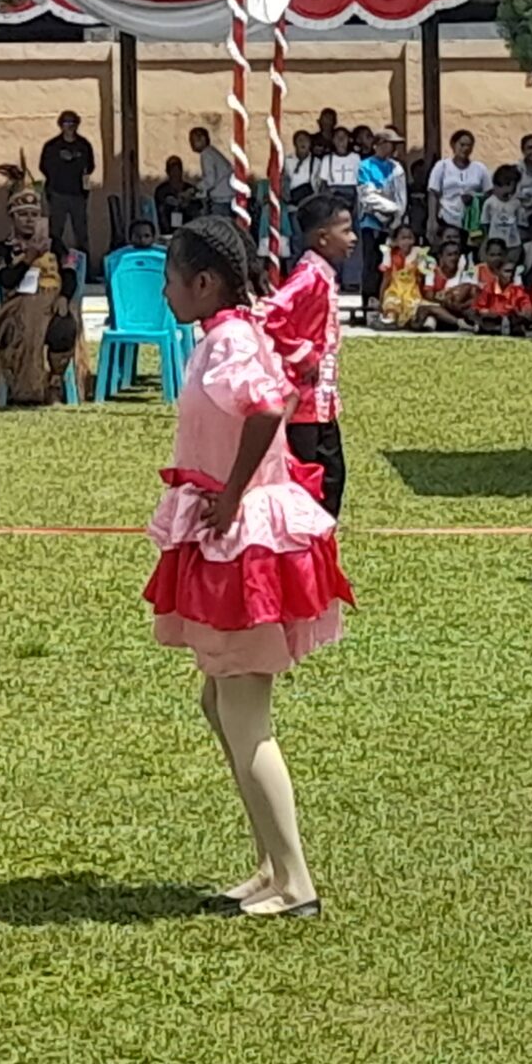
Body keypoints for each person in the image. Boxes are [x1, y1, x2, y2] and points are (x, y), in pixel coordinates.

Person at [144, 215, 351, 919]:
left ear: (204, 283)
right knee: (221, 701)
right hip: (235, 530)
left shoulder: (230, 338)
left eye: (172, 279)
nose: (166, 291)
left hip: (245, 540)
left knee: (243, 710)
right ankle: (271, 862)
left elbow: (269, 407)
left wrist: (230, 495)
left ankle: (294, 880)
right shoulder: (223, 336)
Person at [265, 193, 352, 518]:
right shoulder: (308, 276)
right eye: (346, 230)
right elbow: (272, 314)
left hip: (320, 398)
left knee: (331, 473)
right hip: (302, 398)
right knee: (308, 473)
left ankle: (320, 537)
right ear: (322, 237)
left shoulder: (323, 274)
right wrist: (303, 355)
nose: (353, 238)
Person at [0, 189, 86, 406]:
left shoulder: (54, 243)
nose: (29, 220)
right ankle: (24, 386)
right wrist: (30, 257)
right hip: (18, 305)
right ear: (12, 217)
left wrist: (64, 296)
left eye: (34, 215)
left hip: (54, 301)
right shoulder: (3, 248)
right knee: (23, 329)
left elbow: (69, 272)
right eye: (23, 214)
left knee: (64, 327)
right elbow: (6, 279)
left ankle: (54, 384)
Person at [355, 127, 408, 314]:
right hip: (371, 223)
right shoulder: (365, 166)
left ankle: (387, 299)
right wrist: (390, 209)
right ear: (379, 145)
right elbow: (367, 196)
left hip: (392, 225)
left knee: (390, 263)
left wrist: (396, 218)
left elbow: (401, 196)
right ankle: (369, 300)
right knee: (372, 262)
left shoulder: (397, 168)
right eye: (389, 144)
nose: (393, 148)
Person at [38, 110, 97, 256]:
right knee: (55, 233)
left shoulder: (84, 145)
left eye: (73, 122)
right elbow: (43, 167)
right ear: (60, 125)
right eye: (66, 122)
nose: (69, 126)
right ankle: (53, 265)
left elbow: (90, 167)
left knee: (81, 233)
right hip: (57, 194)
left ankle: (85, 268)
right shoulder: (52, 146)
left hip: (78, 195)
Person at [426, 129, 489, 244]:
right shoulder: (442, 166)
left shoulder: (480, 168)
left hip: (472, 222)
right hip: (447, 218)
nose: (465, 149)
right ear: (453, 145)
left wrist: (474, 197)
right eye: (462, 145)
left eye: (469, 145)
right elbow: (433, 193)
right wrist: (432, 219)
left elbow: (489, 193)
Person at [191, 126, 236, 218]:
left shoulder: (206, 154)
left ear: (203, 139)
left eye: (193, 140)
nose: (191, 144)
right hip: (227, 196)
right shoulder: (212, 152)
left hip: (221, 198)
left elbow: (210, 180)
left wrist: (196, 188)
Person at [479, 164, 523, 253]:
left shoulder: (516, 203)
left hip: (513, 244)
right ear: (495, 186)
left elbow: (520, 222)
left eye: (513, 187)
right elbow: (485, 223)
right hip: (495, 245)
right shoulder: (490, 203)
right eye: (506, 185)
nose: (510, 190)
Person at [155, 156, 201, 231]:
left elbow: (198, 208)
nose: (175, 173)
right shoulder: (161, 190)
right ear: (167, 171)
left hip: (188, 227)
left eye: (177, 169)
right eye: (172, 170)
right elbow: (159, 208)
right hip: (168, 228)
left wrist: (187, 204)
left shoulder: (190, 188)